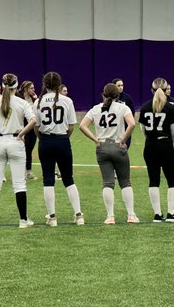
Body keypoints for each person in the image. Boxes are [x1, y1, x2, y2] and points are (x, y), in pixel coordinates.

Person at [0, 73, 38, 228]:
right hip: (16, 142)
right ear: (16, 86)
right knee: (19, 184)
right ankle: (23, 220)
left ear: (3, 86)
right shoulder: (22, 103)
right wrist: (22, 133)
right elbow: (33, 120)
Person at [80, 82, 138, 224]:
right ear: (117, 94)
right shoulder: (122, 107)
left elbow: (82, 125)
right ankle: (131, 215)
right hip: (118, 145)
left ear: (103, 94)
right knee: (125, 182)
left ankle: (110, 216)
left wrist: (95, 139)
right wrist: (124, 139)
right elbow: (132, 124)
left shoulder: (96, 109)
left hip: (102, 147)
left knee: (107, 183)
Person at [37, 71, 84, 226]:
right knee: (68, 179)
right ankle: (78, 215)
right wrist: (63, 138)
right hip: (62, 140)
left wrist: (43, 139)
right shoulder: (67, 101)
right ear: (59, 84)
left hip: (45, 140)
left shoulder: (39, 101)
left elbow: (36, 126)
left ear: (44, 84)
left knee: (48, 180)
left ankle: (52, 217)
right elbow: (71, 126)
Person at [139, 77, 174, 222]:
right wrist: (168, 142)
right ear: (166, 90)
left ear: (152, 90)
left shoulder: (145, 107)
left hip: (150, 146)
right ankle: (171, 213)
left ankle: (157, 214)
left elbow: (143, 130)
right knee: (172, 180)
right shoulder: (170, 107)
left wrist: (152, 139)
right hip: (165, 145)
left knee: (153, 180)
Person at [19, 80, 38, 180]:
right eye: (31, 88)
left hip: (32, 126)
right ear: (26, 89)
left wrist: (36, 100)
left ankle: (28, 172)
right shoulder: (19, 98)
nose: (33, 90)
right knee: (22, 149)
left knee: (29, 149)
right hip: (22, 127)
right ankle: (21, 172)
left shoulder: (34, 98)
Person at [114, 79, 136, 148]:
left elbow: (132, 112)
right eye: (118, 85)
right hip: (114, 127)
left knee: (125, 148)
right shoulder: (110, 98)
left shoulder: (127, 98)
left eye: (122, 85)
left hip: (125, 128)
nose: (121, 87)